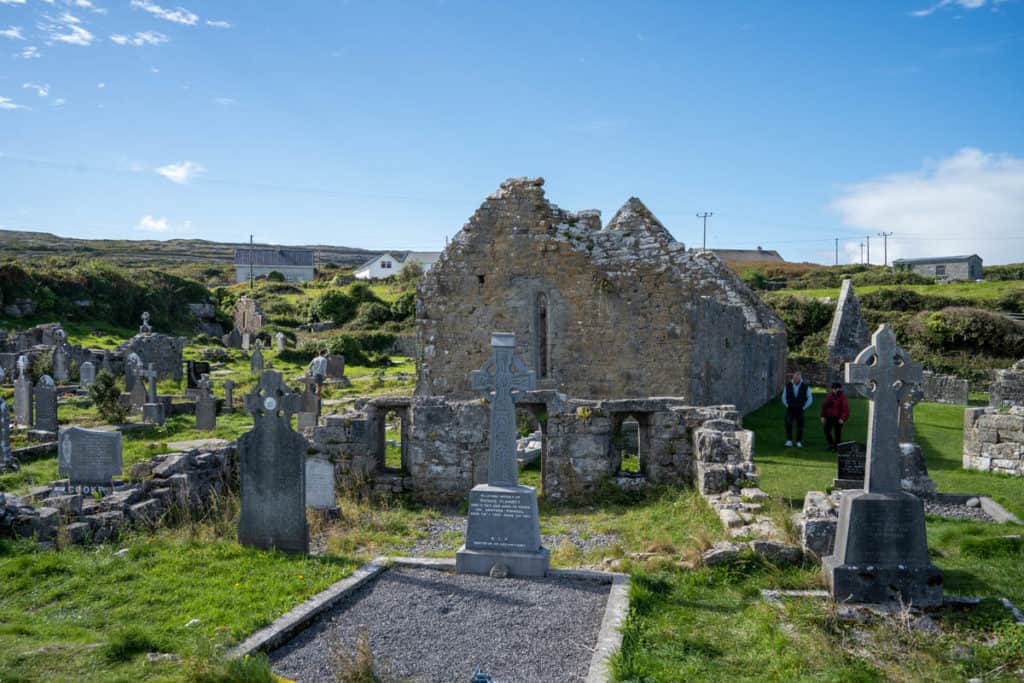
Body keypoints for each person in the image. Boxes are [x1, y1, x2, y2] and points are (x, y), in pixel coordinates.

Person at [781, 371, 813, 448]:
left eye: (797, 378)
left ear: (800, 378)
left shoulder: (805, 386)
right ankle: (789, 441)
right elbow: (783, 397)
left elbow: (810, 398)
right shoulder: (788, 386)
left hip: (800, 409)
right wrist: (787, 405)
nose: (795, 379)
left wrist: (804, 407)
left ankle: (798, 441)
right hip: (790, 408)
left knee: (800, 425)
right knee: (788, 423)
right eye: (794, 378)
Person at [820, 382, 850, 451]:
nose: (833, 390)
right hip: (829, 417)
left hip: (838, 418)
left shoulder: (843, 397)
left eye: (835, 389)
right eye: (833, 389)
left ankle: (837, 447)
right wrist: (822, 416)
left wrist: (842, 418)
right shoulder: (830, 396)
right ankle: (831, 444)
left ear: (839, 389)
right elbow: (824, 406)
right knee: (826, 430)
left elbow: (845, 409)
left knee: (837, 433)